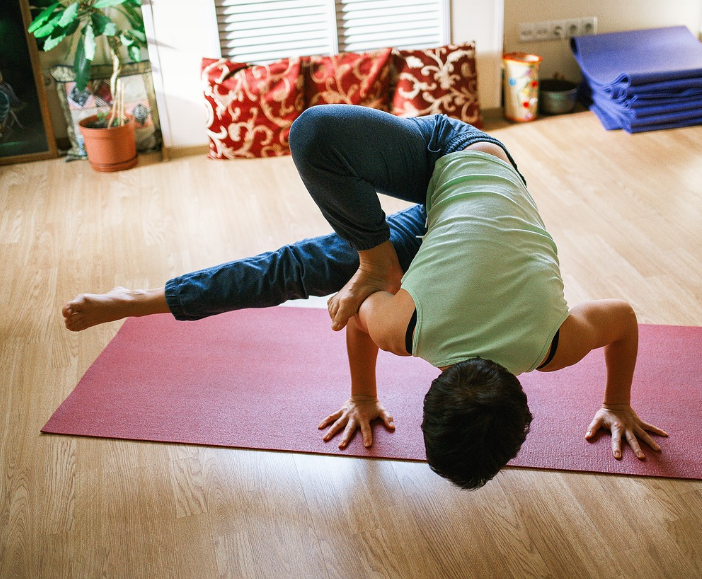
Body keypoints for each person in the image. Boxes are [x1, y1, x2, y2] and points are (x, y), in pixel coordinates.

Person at [62, 105, 667, 490]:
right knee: (314, 166)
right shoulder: (410, 328)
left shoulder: (556, 345)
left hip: (448, 231)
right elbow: (354, 320)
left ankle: (140, 299)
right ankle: (375, 259)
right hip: (455, 158)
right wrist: (361, 392)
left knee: (304, 266)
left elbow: (625, 320)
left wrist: (616, 398)